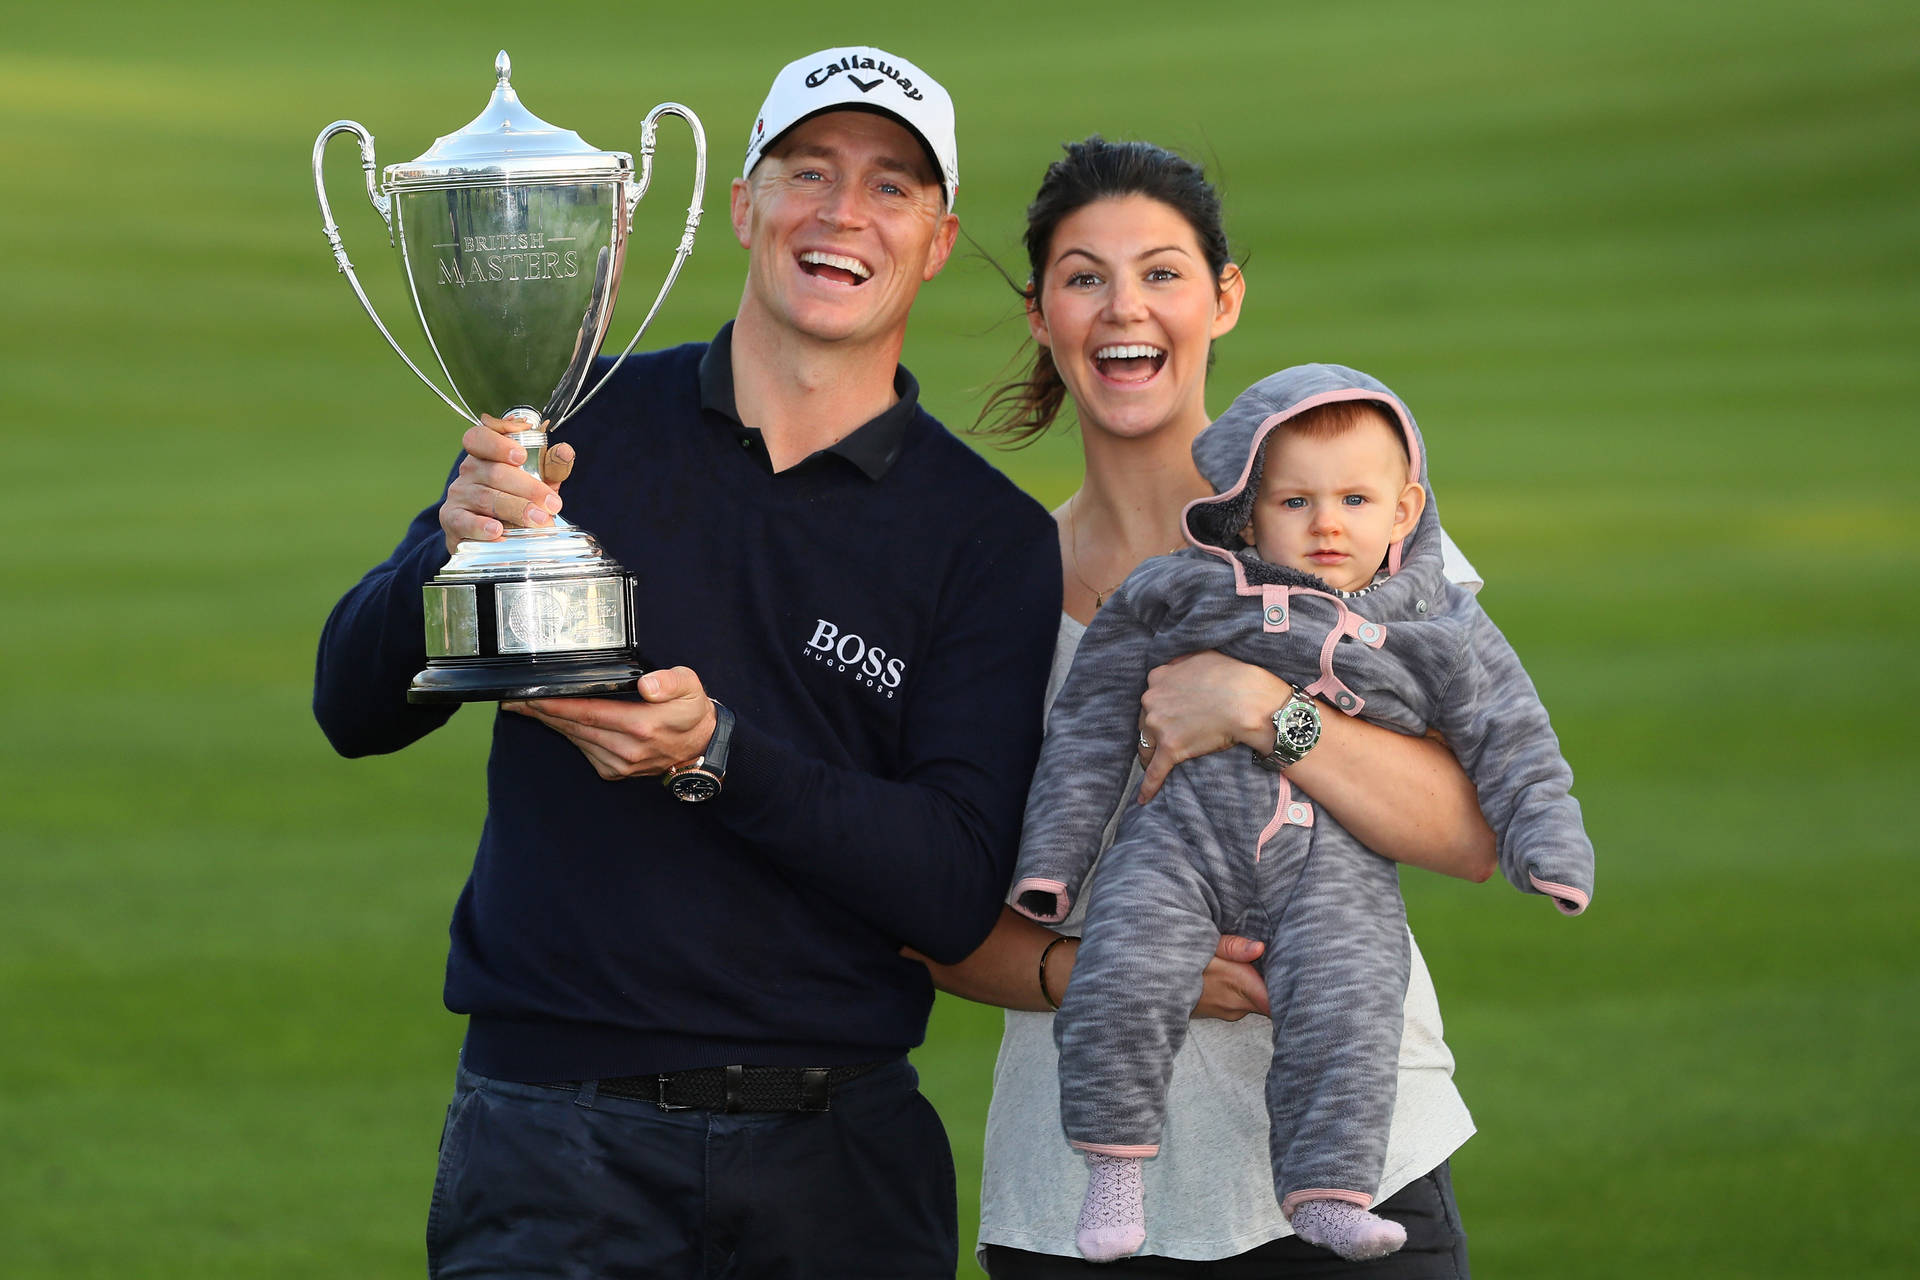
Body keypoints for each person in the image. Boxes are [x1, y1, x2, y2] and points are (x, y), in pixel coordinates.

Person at [313, 46, 1061, 1278]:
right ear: (742, 206)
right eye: (807, 171)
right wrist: (447, 552)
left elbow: (947, 883)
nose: (841, 215)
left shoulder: (986, 537)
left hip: (842, 1158)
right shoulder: (576, 418)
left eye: (891, 187)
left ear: (937, 239)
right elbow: (352, 703)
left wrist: (717, 755)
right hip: (554, 1138)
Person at [918, 137, 1498, 1277]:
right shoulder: (990, 587)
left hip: (1356, 1172)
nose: (1123, 308)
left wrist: (1264, 709)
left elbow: (1474, 828)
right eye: (1084, 277)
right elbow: (926, 915)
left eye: (1163, 272)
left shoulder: (1340, 523)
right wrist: (1114, 972)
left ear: (1224, 299)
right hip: (1075, 1199)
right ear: (1040, 313)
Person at [1011, 370, 1595, 1263]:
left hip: (1335, 867)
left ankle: (1329, 1191)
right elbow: (1088, 729)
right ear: (1247, 515)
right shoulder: (1180, 591)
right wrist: (1053, 862)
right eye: (1296, 502)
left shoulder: (1439, 617)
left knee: (1351, 999)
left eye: (1355, 500)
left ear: (1404, 510)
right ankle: (1116, 1163)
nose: (1327, 524)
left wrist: (1551, 848)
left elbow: (1512, 737)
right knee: (1124, 965)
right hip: (1180, 837)